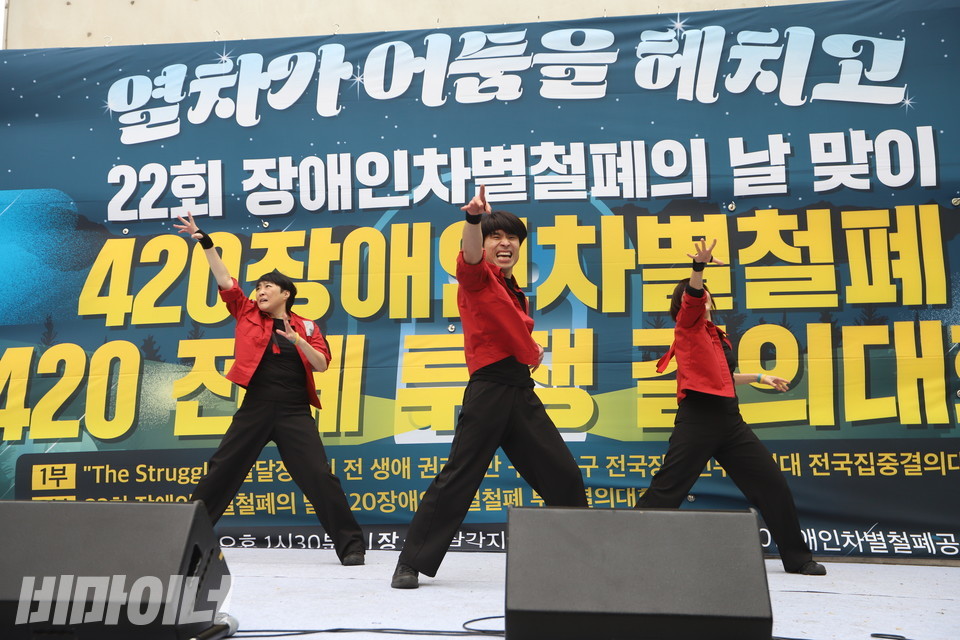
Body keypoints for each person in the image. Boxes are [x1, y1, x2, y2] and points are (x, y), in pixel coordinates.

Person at [391, 186, 589, 589]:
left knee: (564, 475)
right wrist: (473, 220)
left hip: (520, 390)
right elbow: (468, 258)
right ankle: (410, 563)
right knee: (459, 477)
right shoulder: (478, 278)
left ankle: (584, 559)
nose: (505, 243)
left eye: (512, 237)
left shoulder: (515, 290)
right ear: (483, 244)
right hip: (489, 391)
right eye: (496, 236)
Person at [173, 212, 365, 566]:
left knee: (320, 477)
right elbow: (224, 279)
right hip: (257, 407)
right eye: (258, 287)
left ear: (286, 295)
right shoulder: (246, 313)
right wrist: (206, 242)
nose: (260, 291)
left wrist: (297, 340)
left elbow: (322, 364)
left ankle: (351, 545)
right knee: (221, 471)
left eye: (268, 288)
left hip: (294, 411)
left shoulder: (307, 327)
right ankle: (180, 541)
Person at [636, 238, 826, 576]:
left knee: (772, 485)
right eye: (693, 294)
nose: (699, 295)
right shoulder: (688, 326)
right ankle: (623, 547)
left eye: (704, 291)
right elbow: (692, 297)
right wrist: (698, 268)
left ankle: (798, 559)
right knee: (668, 489)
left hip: (729, 420)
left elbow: (722, 377)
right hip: (698, 419)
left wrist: (761, 376)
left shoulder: (715, 335)